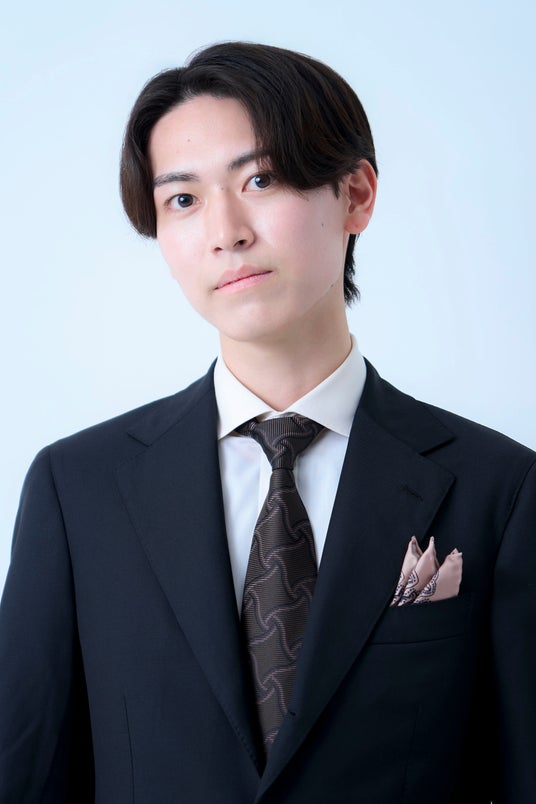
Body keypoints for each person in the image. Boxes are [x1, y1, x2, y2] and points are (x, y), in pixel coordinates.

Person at [0, 41, 535, 804]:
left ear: (356, 195)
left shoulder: (500, 489)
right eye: (182, 200)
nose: (226, 231)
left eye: (261, 179)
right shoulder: (77, 488)